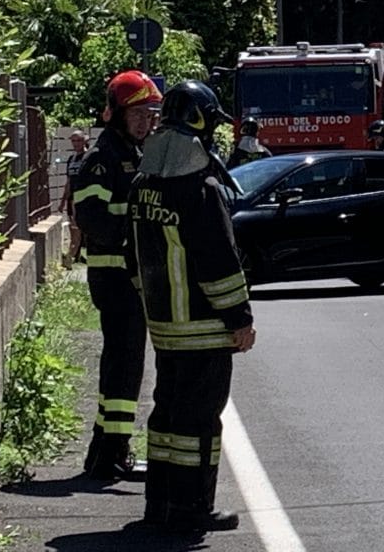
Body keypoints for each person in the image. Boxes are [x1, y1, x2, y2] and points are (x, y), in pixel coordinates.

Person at [128, 80, 255, 533]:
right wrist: (240, 319)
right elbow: (218, 261)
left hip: (164, 328)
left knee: (167, 417)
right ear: (200, 122)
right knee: (198, 424)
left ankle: (160, 504)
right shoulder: (199, 188)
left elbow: (134, 256)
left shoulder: (144, 183)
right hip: (203, 328)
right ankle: (192, 510)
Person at [74, 70, 162, 480]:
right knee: (122, 364)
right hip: (114, 277)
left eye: (150, 114)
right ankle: (111, 451)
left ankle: (107, 450)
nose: (146, 121)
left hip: (129, 277)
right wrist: (138, 220)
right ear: (118, 114)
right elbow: (92, 217)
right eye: (139, 114)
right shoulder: (102, 157)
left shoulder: (132, 152)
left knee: (126, 364)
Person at [58, 130, 88, 267]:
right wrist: (63, 201)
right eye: (73, 141)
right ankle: (75, 254)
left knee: (78, 229)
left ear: (84, 141)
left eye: (78, 140)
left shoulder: (88, 157)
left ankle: (70, 257)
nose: (75, 144)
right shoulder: (71, 159)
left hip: (84, 198)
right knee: (73, 229)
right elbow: (68, 181)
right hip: (72, 199)